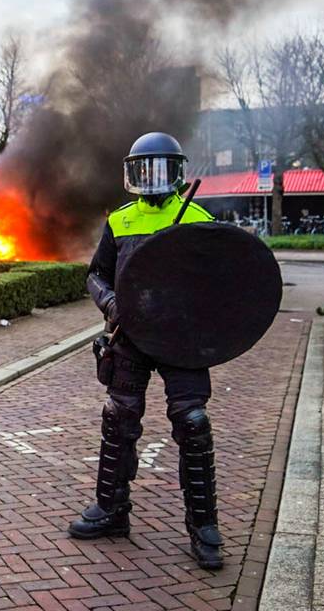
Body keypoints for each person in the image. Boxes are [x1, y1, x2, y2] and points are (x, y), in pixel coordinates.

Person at [68, 132, 224, 570]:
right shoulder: (120, 221)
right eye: (144, 168)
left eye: (161, 168)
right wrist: (112, 303)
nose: (152, 178)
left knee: (193, 423)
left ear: (177, 173)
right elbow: (96, 274)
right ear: (132, 173)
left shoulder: (197, 217)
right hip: (131, 337)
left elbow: (216, 283)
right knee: (119, 417)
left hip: (180, 340)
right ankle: (111, 510)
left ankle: (204, 526)